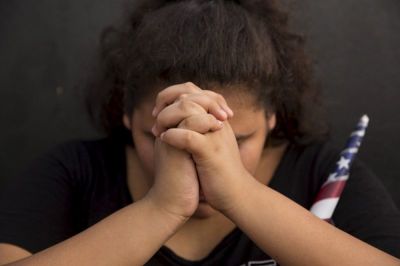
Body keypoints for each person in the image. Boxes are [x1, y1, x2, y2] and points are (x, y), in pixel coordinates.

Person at [0, 0, 399, 265]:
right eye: (165, 135)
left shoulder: (325, 174)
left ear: (272, 116)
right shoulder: (76, 172)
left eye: (236, 140)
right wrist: (162, 209)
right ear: (125, 115)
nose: (201, 157)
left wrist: (241, 194)